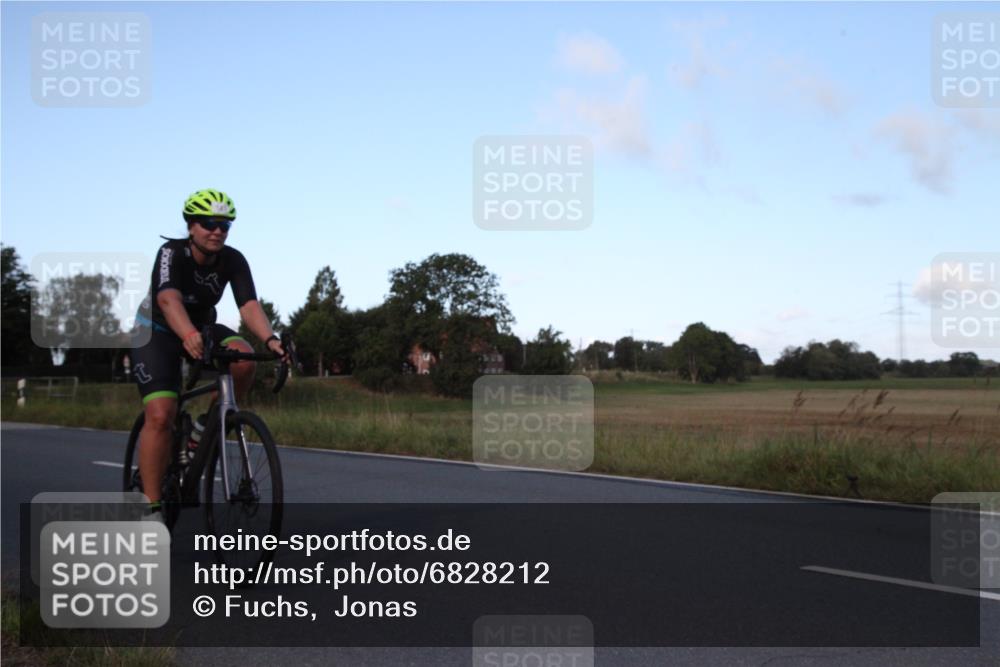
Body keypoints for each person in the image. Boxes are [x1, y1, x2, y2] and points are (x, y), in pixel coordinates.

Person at [131, 189, 287, 518]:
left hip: (200, 327)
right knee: (161, 414)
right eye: (208, 223)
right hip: (158, 331)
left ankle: (205, 428)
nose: (217, 231)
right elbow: (167, 299)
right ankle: (150, 507)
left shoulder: (232, 259)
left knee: (243, 357)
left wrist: (271, 340)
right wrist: (186, 333)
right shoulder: (171, 253)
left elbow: (248, 305)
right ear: (191, 226)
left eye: (225, 225)